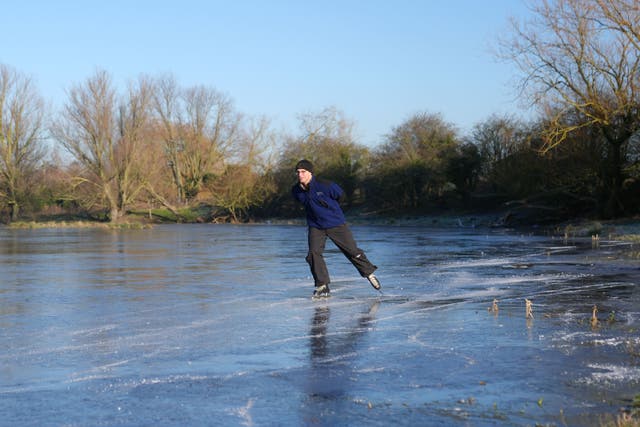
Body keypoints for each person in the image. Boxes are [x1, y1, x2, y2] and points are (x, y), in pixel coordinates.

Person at [292, 159, 381, 298]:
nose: (300, 175)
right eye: (298, 172)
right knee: (313, 254)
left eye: (303, 172)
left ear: (310, 173)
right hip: (316, 226)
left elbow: (341, 195)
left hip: (336, 224)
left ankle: (369, 272)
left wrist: (331, 210)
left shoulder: (325, 185)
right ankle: (322, 286)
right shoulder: (296, 190)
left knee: (351, 251)